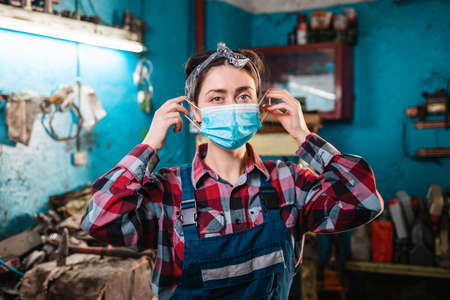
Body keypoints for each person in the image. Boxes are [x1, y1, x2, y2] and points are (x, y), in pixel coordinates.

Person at [81, 43, 384, 300]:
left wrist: (304, 135)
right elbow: (98, 220)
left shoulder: (290, 183)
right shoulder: (167, 191)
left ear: (258, 106)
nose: (232, 106)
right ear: (195, 113)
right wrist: (148, 147)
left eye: (243, 96)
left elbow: (364, 201)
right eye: (217, 98)